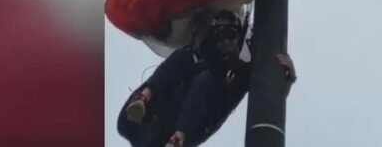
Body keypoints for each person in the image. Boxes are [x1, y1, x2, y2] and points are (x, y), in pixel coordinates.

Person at [117, 10, 297, 147]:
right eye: (220, 36)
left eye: (230, 35)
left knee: (204, 79)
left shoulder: (241, 74)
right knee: (184, 58)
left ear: (238, 36)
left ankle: (178, 136)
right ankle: (144, 97)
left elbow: (268, 96)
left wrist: (289, 78)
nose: (225, 42)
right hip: (148, 120)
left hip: (190, 128)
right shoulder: (199, 54)